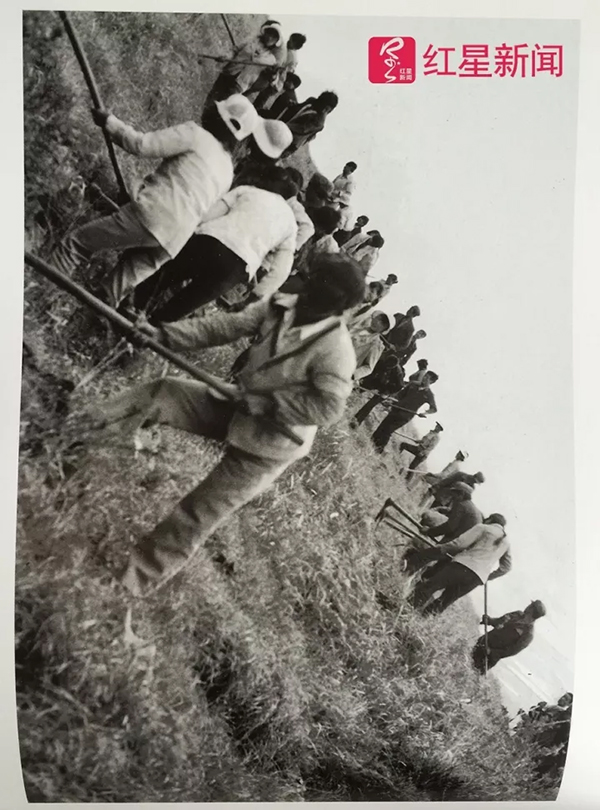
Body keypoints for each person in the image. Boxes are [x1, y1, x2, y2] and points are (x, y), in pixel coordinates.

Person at [81, 253, 366, 595]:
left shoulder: (336, 351)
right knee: (163, 393)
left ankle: (130, 583)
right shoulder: (281, 306)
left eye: (312, 282)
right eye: (306, 278)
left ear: (332, 301)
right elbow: (223, 327)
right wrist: (162, 335)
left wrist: (266, 403)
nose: (302, 285)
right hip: (235, 403)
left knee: (196, 513)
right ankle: (76, 434)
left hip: (271, 442)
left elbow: (327, 408)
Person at [51, 96, 289, 310]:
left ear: (217, 113)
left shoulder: (195, 135)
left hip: (151, 216)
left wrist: (110, 122)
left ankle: (42, 286)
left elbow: (141, 145)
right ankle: (85, 324)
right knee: (113, 290)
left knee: (77, 243)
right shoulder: (227, 169)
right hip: (175, 240)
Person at [132, 165, 298, 321]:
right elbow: (281, 270)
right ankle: (146, 332)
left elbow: (208, 215)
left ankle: (129, 308)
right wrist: (255, 296)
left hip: (210, 240)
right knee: (184, 304)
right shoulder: (291, 223)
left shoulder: (248, 191)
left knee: (162, 276)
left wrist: (184, 235)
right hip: (238, 266)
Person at [410, 514, 512, 615]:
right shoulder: (506, 543)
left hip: (462, 566)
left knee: (430, 586)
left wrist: (440, 549)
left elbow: (459, 544)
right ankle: (420, 619)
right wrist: (487, 577)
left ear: (490, 520)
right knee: (444, 601)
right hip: (477, 579)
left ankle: (406, 608)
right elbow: (506, 567)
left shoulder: (483, 528)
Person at [206, 22, 284, 102]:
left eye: (274, 37)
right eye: (269, 33)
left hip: (240, 85)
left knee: (222, 106)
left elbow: (273, 81)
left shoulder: (272, 60)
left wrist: (273, 75)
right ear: (265, 32)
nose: (270, 38)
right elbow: (235, 50)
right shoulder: (251, 41)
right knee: (211, 98)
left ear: (276, 42)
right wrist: (225, 57)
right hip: (229, 72)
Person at [370, 371, 439, 453]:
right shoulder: (413, 384)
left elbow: (434, 409)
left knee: (388, 430)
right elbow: (399, 395)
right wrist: (390, 401)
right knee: (383, 425)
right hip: (396, 408)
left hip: (406, 416)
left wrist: (424, 413)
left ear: (431, 382)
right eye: (424, 376)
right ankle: (370, 443)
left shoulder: (429, 394)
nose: (424, 378)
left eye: (427, 378)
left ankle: (379, 450)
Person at [472, 600, 547, 675]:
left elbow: (512, 651)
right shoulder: (517, 614)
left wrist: (491, 652)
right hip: (483, 641)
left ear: (531, 610)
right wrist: (489, 620)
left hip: (488, 657)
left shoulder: (528, 634)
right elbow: (499, 621)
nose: (528, 606)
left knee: (472, 672)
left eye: (530, 605)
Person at [253, 33, 307, 110]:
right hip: (268, 74)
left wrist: (279, 71)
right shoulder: (283, 47)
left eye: (291, 41)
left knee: (261, 98)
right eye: (289, 39)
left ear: (296, 46)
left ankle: (254, 113)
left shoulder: (293, 58)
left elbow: (288, 72)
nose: (288, 42)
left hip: (276, 82)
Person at [278, 91, 339, 157]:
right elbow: (299, 107)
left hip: (290, 142)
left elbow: (302, 129)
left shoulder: (318, 122)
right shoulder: (312, 101)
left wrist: (282, 126)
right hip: (282, 128)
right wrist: (293, 104)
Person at [352, 311, 392, 380]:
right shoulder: (358, 326)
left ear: (383, 330)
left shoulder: (376, 344)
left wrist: (353, 375)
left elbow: (368, 367)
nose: (378, 322)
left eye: (382, 323)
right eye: (379, 318)